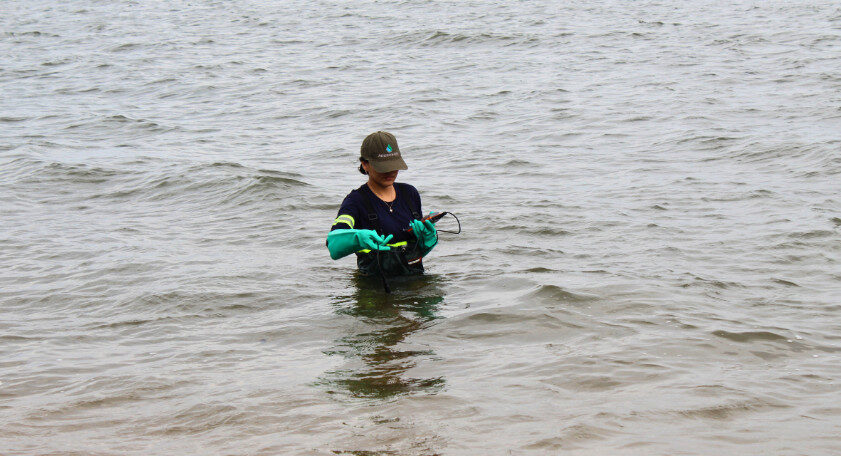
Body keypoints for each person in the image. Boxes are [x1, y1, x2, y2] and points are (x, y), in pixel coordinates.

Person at [327, 131, 438, 276]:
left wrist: (427, 240)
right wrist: (357, 238)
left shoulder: (410, 193)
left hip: (415, 282)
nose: (390, 171)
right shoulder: (355, 201)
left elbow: (417, 250)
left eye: (394, 165)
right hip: (375, 288)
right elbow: (334, 247)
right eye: (383, 167)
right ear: (365, 164)